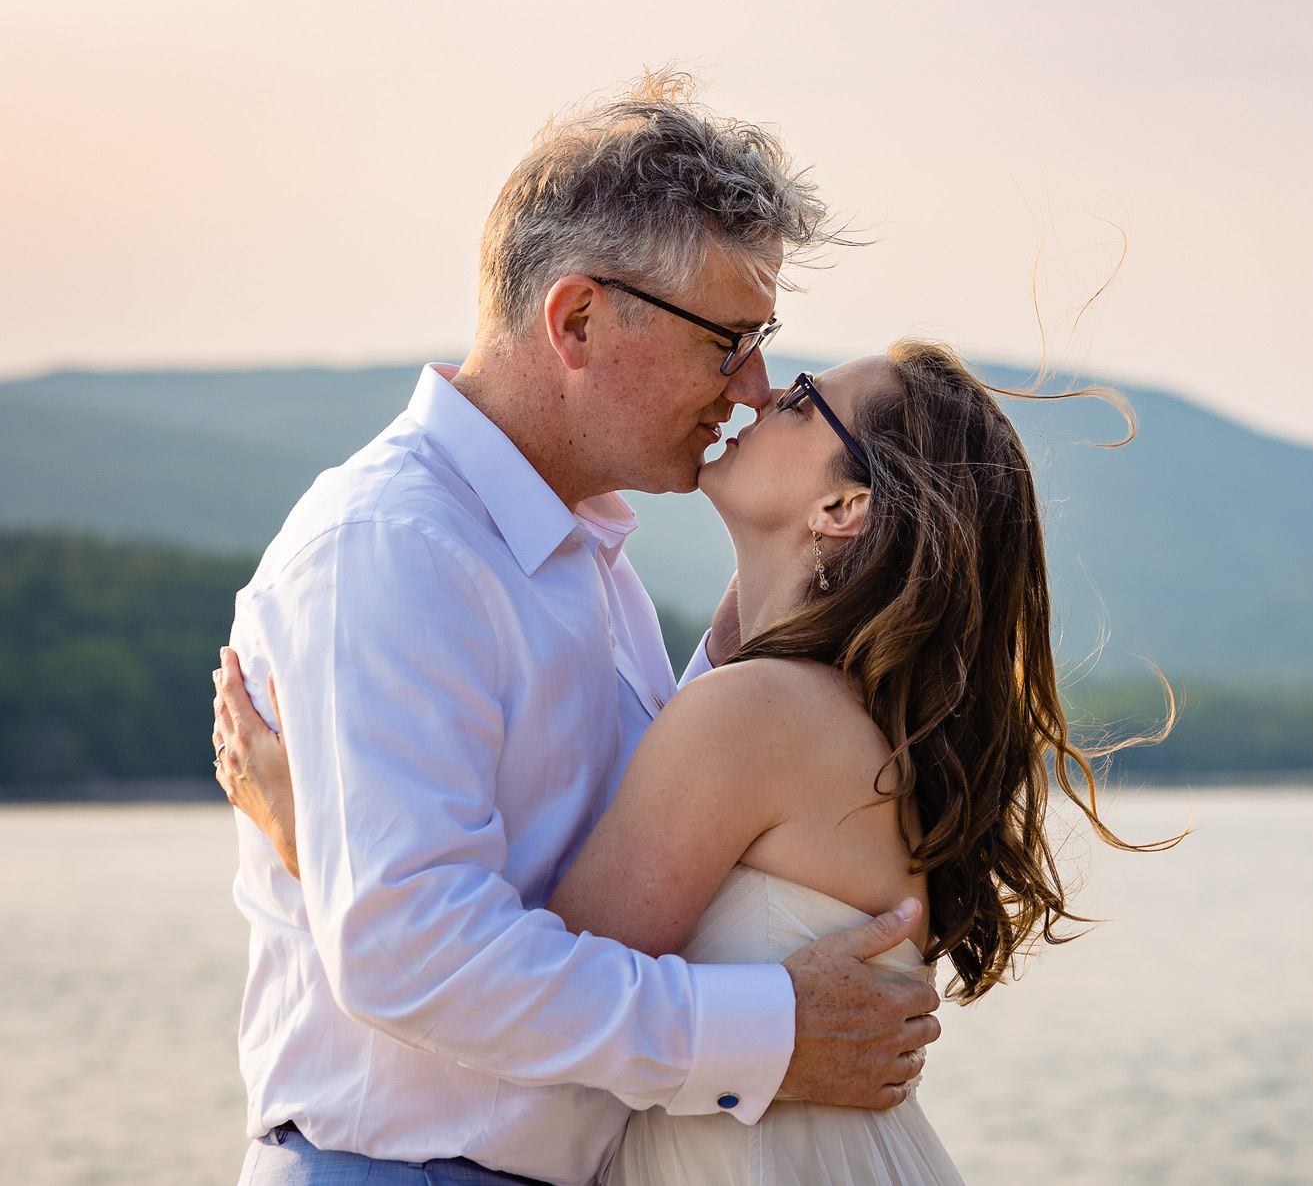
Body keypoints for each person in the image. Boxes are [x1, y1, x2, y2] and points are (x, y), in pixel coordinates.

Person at [211, 73, 941, 1186]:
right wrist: (769, 1029)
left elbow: (605, 842)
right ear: (578, 319)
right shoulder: (396, 549)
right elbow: (412, 952)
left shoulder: (579, 553)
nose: (749, 386)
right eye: (725, 340)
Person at [217, 342, 1173, 1184]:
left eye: (802, 397)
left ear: (844, 504)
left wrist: (320, 841)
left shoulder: (758, 714)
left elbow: (529, 984)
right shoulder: (824, 711)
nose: (756, 394)